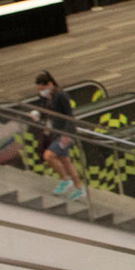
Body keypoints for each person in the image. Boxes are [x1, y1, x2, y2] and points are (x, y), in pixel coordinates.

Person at [31, 70, 87, 201]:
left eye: (43, 88)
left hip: (65, 134)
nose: (41, 92)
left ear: (49, 84)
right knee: (65, 161)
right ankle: (79, 188)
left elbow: (69, 116)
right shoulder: (48, 97)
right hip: (57, 133)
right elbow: (48, 112)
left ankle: (65, 180)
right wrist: (38, 115)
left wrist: (66, 135)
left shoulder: (61, 96)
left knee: (49, 156)